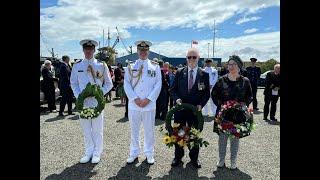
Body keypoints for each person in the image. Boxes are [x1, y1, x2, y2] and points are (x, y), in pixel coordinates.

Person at [70, 39, 113, 164]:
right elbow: (73, 83)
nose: (88, 51)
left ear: (94, 50)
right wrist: (79, 96)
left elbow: (109, 84)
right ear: (83, 50)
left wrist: (99, 94)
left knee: (97, 129)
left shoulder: (101, 65)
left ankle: (97, 152)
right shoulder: (77, 65)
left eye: (91, 49)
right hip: (83, 103)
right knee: (86, 129)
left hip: (96, 102)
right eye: (86, 49)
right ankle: (88, 151)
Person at [170, 47, 210, 168]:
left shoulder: (204, 74)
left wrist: (201, 104)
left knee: (194, 134)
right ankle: (178, 157)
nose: (191, 59)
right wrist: (176, 99)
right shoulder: (179, 72)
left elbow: (206, 93)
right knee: (179, 134)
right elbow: (173, 90)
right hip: (180, 110)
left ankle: (194, 158)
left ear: (198, 58)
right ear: (186, 59)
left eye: (194, 57)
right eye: (189, 57)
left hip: (195, 111)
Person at [211, 55, 253, 170]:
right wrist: (222, 106)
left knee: (235, 139)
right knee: (222, 139)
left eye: (234, 64)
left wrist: (246, 105)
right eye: (229, 64)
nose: (231, 66)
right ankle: (221, 159)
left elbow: (249, 96)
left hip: (238, 116)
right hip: (223, 115)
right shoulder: (221, 80)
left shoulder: (245, 81)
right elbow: (214, 94)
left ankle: (233, 160)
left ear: (239, 66)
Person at [124, 40, 162, 165]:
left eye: (145, 50)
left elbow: (158, 85)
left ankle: (149, 153)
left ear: (148, 51)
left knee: (149, 130)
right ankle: (134, 153)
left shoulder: (155, 66)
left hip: (149, 105)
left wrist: (148, 99)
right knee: (134, 130)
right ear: (137, 51)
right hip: (134, 105)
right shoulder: (130, 66)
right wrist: (134, 98)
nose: (143, 52)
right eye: (141, 50)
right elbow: (127, 84)